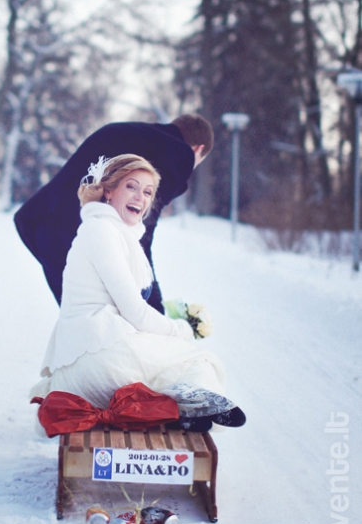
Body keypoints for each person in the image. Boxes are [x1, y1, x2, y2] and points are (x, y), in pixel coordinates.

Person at [31, 153, 246, 432]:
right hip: (97, 358)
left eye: (147, 192)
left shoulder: (113, 231)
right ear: (108, 191)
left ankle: (185, 410)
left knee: (175, 361)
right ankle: (188, 401)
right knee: (200, 360)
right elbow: (135, 313)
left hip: (88, 355)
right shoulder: (102, 231)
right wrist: (181, 329)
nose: (140, 197)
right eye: (131, 186)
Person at [14, 114, 213, 313]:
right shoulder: (178, 154)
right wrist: (154, 307)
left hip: (45, 227)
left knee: (79, 325)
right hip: (83, 236)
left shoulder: (130, 132)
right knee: (106, 330)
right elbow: (141, 230)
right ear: (198, 149)